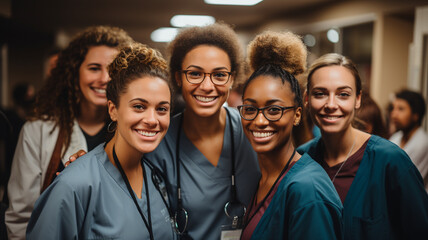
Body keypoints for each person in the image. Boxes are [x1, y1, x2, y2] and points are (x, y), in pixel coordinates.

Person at [68, 23, 260, 240]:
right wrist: (82, 167)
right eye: (194, 74)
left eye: (220, 75)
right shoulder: (156, 139)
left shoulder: (254, 130)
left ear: (232, 79)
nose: (207, 86)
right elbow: (115, 169)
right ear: (177, 77)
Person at [26, 42, 175, 240]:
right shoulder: (74, 185)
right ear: (113, 110)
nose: (151, 119)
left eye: (162, 109)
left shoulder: (155, 176)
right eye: (139, 106)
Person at [6, 26, 133, 239]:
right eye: (94, 68)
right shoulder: (37, 131)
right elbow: (21, 218)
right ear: (74, 72)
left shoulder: (134, 130)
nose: (104, 78)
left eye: (113, 70)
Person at [297, 53, 428, 239]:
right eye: (320, 93)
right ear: (307, 99)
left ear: (357, 99)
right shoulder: (301, 159)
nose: (331, 104)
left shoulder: (389, 161)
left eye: (343, 94)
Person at [238, 31, 343, 240]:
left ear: (296, 114)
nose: (259, 121)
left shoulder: (308, 190)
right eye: (250, 109)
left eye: (274, 110)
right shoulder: (263, 178)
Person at [389, 89, 428, 191]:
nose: (394, 114)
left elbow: (405, 180)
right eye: (393, 109)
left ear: (416, 115)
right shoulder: (396, 137)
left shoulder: (423, 143)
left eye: (401, 109)